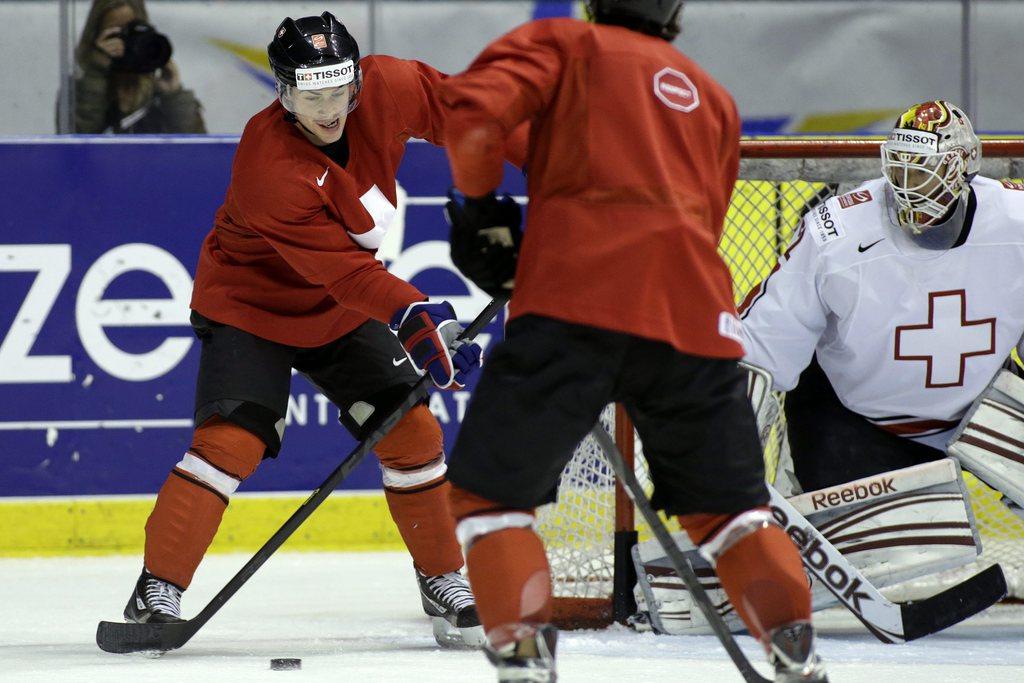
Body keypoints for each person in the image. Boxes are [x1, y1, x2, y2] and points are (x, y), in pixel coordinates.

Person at [438, 2, 827, 681]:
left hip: (572, 305)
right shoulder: (713, 97)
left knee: (488, 499)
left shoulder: (565, 42)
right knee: (733, 514)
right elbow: (703, 221)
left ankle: (524, 652)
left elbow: (471, 117)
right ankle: (795, 647)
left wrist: (479, 211)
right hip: (694, 322)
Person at [116, 11, 525, 649]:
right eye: (312, 95)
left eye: (340, 91)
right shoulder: (268, 166)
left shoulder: (386, 88)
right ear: (283, 92)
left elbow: (470, 115)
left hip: (335, 311)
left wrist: (556, 162)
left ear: (357, 81)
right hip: (250, 309)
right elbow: (345, 274)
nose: (330, 109)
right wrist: (418, 316)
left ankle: (443, 577)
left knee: (410, 429)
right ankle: (157, 586)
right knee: (232, 442)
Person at [739, 100, 1024, 503]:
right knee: (868, 556)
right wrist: (724, 444)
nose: (909, 185)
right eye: (901, 167)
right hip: (858, 421)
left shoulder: (1018, 221)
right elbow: (764, 344)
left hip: (984, 411)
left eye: (924, 172)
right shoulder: (835, 232)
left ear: (965, 165)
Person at [67, 0, 205, 133]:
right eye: (117, 35)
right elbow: (75, 142)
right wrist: (95, 73)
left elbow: (198, 149)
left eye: (134, 34)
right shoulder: (79, 89)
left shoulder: (159, 91)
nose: (127, 44)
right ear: (96, 37)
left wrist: (175, 97)